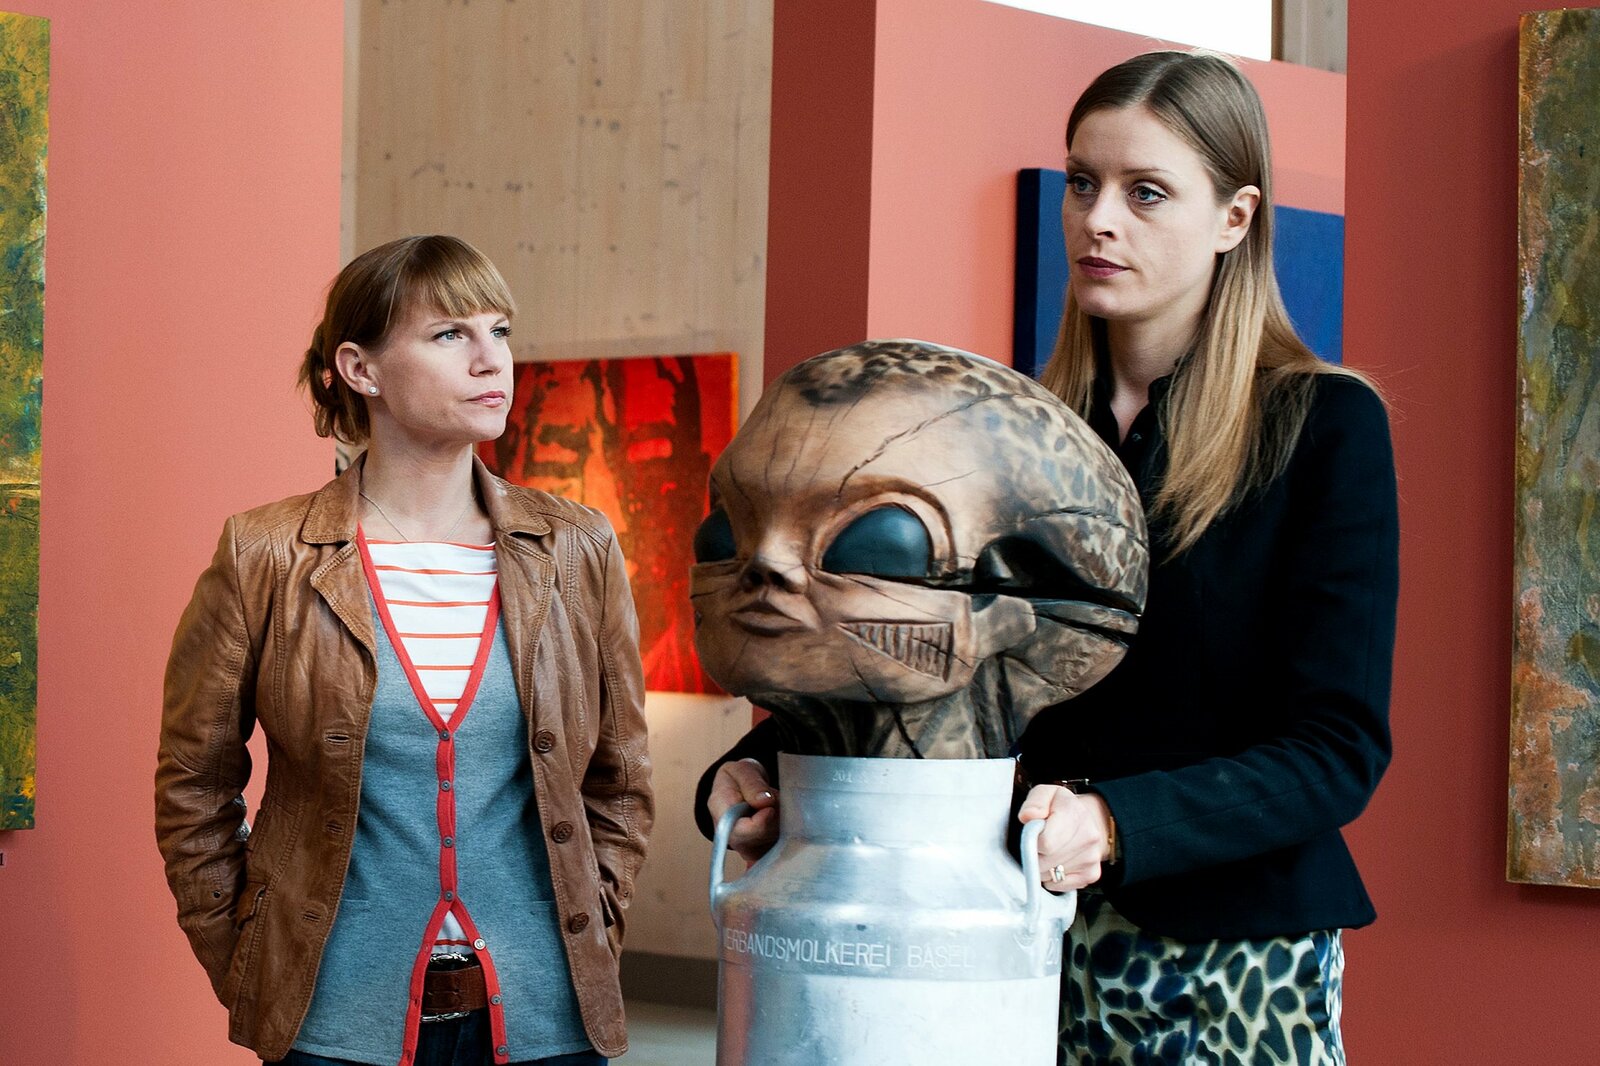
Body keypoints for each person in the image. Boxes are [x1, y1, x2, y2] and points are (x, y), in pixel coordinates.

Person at [699, 51, 1396, 1065]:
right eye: (1081, 182)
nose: (1097, 219)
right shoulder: (1004, 434)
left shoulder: (1324, 424)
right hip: (995, 934)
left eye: (1145, 192)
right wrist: (753, 777)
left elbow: (1336, 750)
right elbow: (927, 672)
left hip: (1228, 958)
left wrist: (1115, 823)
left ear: (1235, 218)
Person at [156, 235, 653, 1066]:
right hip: (335, 1026)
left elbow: (621, 774)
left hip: (548, 1022)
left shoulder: (575, 547)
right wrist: (244, 955)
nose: (491, 360)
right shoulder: (266, 554)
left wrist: (597, 917)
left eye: (499, 331)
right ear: (361, 369)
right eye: (450, 334)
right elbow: (193, 784)